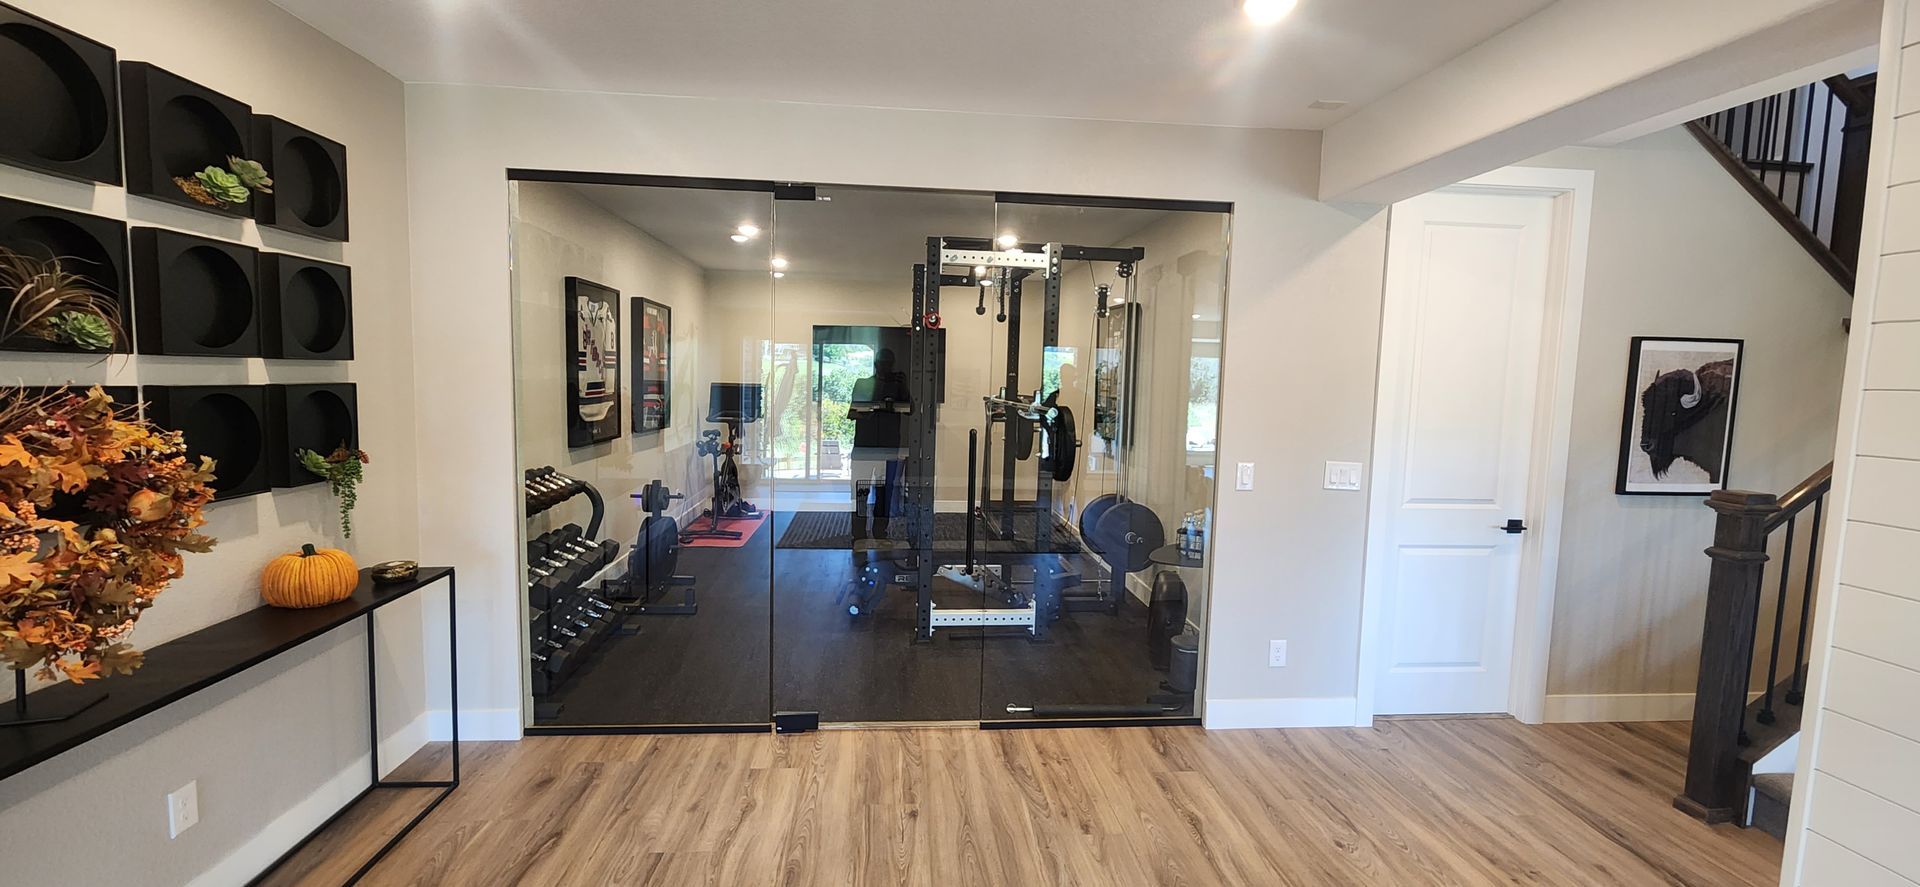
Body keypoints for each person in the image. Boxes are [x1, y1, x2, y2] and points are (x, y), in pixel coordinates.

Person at [847, 348, 909, 540]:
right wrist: (876, 409)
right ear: (876, 364)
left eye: (889, 363)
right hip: (865, 447)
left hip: (887, 447)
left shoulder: (898, 387)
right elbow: (852, 413)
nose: (885, 367)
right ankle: (858, 533)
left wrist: (903, 386)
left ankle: (880, 532)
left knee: (885, 493)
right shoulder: (863, 384)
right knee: (860, 492)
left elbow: (910, 409)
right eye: (883, 363)